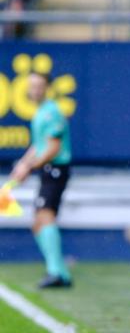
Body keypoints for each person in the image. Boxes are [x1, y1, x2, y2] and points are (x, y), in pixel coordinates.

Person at [10, 72, 73, 288]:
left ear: (47, 87)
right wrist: (23, 163)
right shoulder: (41, 112)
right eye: (31, 86)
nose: (34, 90)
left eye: (38, 86)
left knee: (45, 217)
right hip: (47, 170)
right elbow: (39, 145)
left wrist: (28, 167)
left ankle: (57, 273)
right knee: (38, 223)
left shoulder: (51, 112)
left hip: (56, 170)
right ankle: (60, 272)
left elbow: (53, 148)